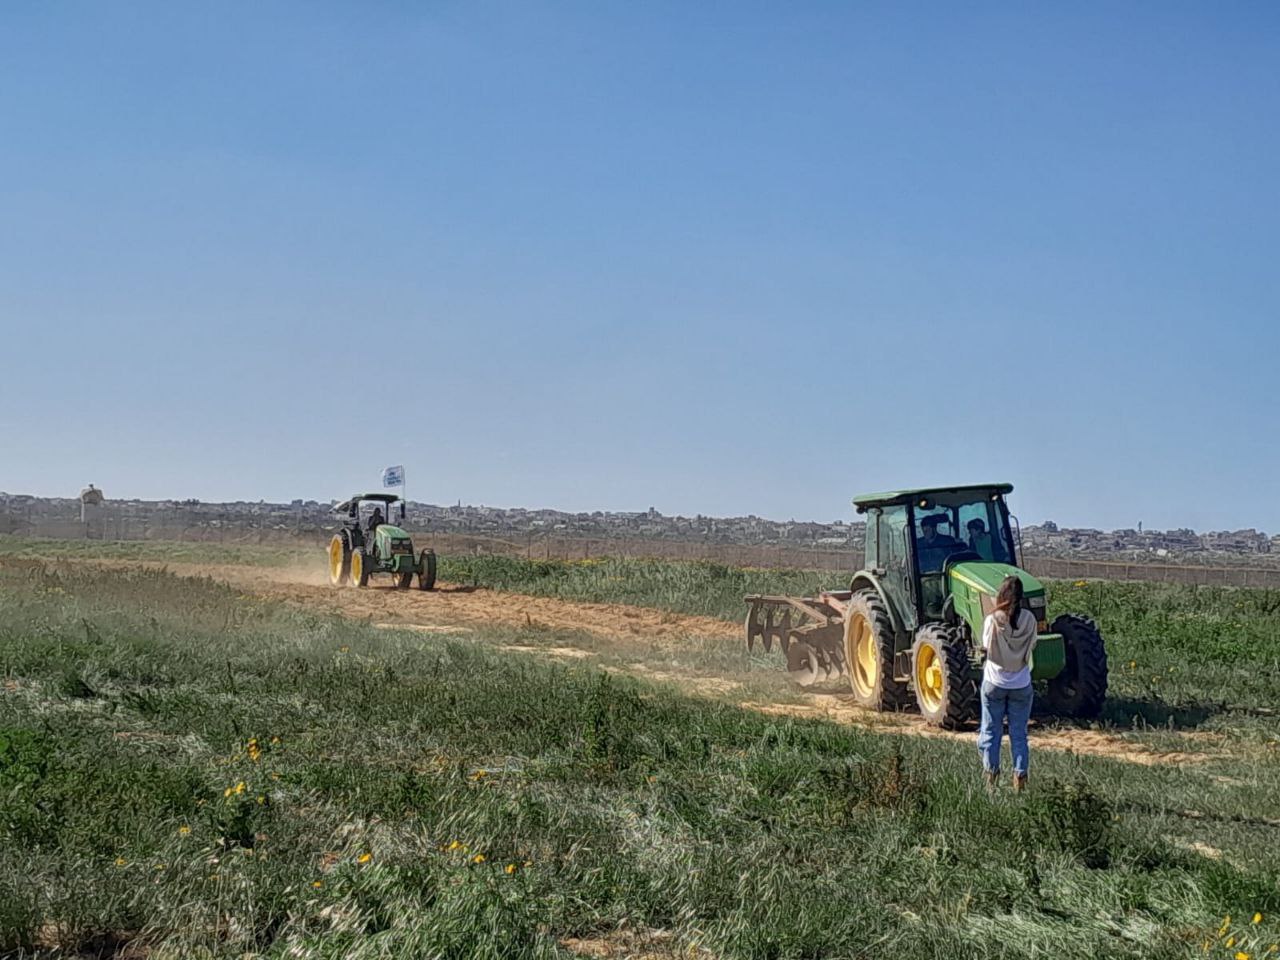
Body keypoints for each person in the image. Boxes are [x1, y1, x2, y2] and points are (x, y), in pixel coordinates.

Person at [977, 575, 1037, 792]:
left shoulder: (993, 619)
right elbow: (1033, 645)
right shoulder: (1029, 619)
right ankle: (1020, 777)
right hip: (1021, 683)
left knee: (991, 731)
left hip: (995, 681)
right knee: (1019, 734)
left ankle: (991, 779)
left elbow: (985, 645)